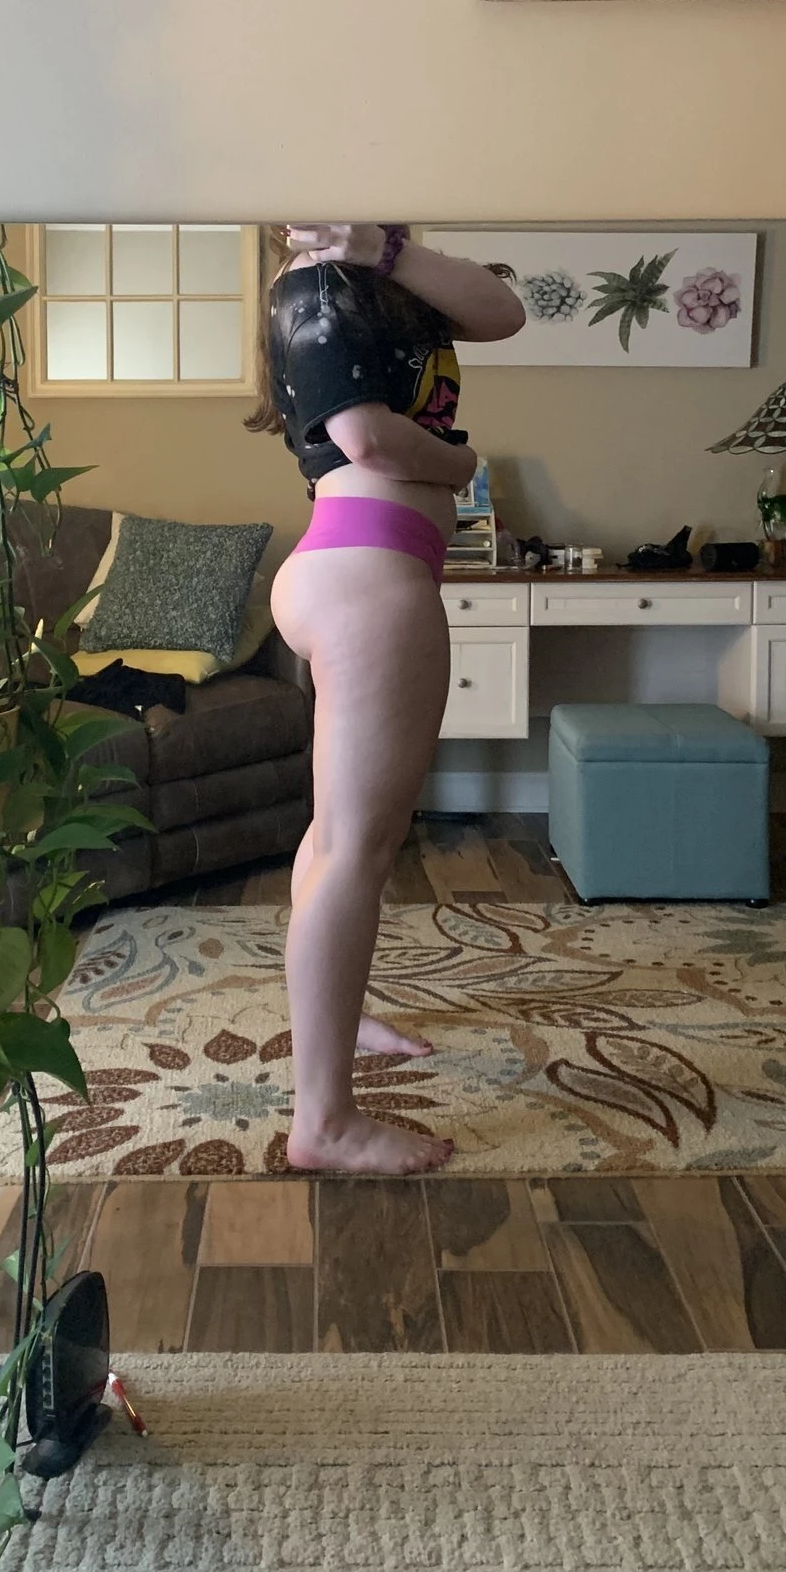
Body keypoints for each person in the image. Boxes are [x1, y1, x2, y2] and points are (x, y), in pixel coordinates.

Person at [247, 225, 526, 1173]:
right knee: (358, 848)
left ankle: (339, 1018)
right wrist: (460, 464)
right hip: (367, 573)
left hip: (359, 564)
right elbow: (363, 436)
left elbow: (503, 310)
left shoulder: (372, 275)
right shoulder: (315, 284)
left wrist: (387, 249)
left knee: (337, 837)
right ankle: (323, 1123)